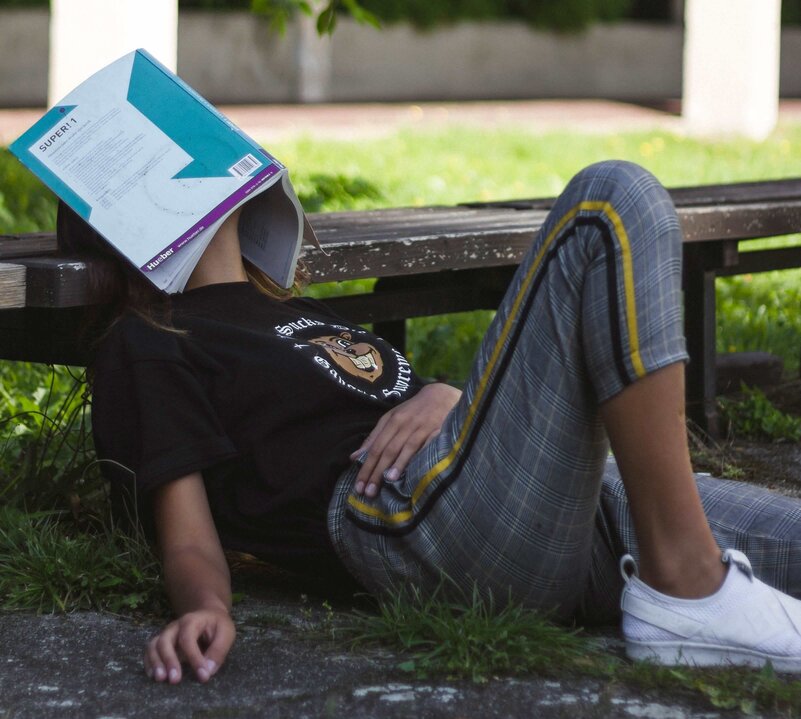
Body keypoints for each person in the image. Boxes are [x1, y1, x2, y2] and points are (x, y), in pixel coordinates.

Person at [58, 160, 801, 685]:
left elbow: (388, 398)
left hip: (558, 500)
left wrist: (446, 393)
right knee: (611, 200)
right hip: (423, 524)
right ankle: (683, 583)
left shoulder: (290, 309)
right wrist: (205, 609)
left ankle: (679, 578)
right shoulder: (151, 339)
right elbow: (187, 534)